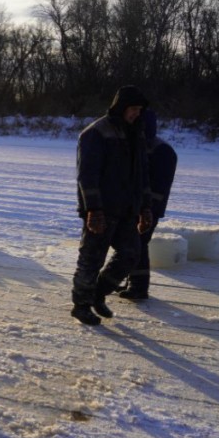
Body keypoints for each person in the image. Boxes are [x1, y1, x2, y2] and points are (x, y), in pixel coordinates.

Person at [71, 85, 153, 325]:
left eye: (139, 110)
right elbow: (87, 175)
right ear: (121, 107)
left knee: (131, 254)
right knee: (92, 258)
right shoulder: (96, 133)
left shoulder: (135, 133)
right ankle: (81, 305)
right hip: (102, 211)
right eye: (133, 109)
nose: (136, 114)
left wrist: (145, 206)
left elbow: (142, 174)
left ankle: (98, 293)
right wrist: (93, 209)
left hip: (127, 209)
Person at [119, 109, 178, 300]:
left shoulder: (161, 150)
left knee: (139, 244)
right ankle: (132, 282)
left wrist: (146, 208)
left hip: (149, 208)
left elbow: (159, 186)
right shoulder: (139, 145)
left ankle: (139, 286)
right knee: (133, 244)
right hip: (136, 206)